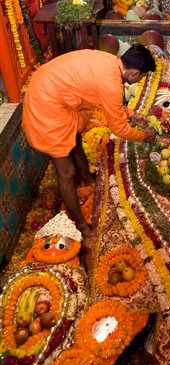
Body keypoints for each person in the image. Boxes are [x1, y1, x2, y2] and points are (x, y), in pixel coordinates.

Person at [22, 45, 156, 240]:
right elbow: (119, 129)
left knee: (75, 137)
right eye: (141, 77)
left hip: (52, 91)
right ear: (134, 73)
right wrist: (145, 136)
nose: (140, 80)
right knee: (65, 172)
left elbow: (105, 99)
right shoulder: (112, 84)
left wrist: (132, 115)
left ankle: (88, 182)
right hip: (46, 103)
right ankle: (82, 227)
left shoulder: (110, 62)